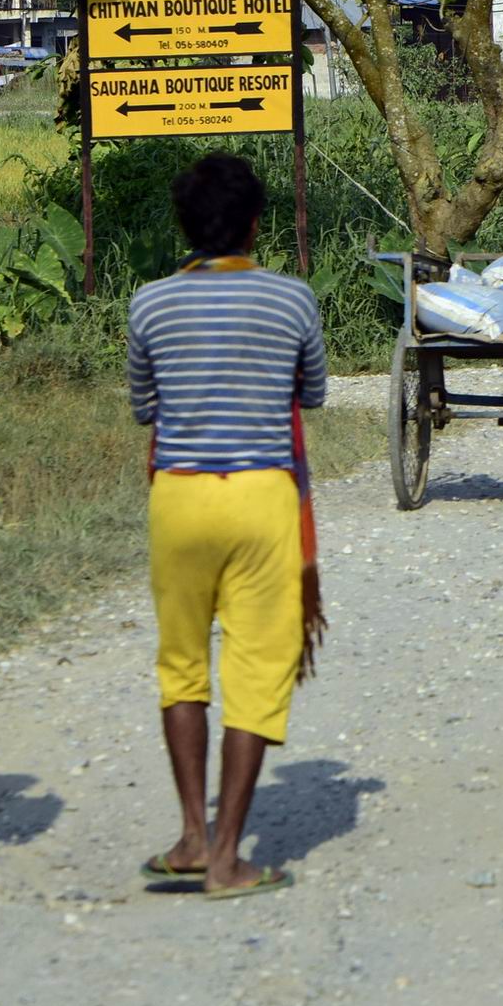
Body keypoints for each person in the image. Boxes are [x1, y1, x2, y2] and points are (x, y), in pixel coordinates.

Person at [127, 153, 327, 899]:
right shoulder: (292, 299)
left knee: (181, 666)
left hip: (177, 498)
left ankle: (189, 835)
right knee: (254, 674)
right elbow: (311, 394)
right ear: (253, 223)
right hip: (261, 499)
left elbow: (145, 408)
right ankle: (228, 859)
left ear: (185, 226)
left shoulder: (149, 303)